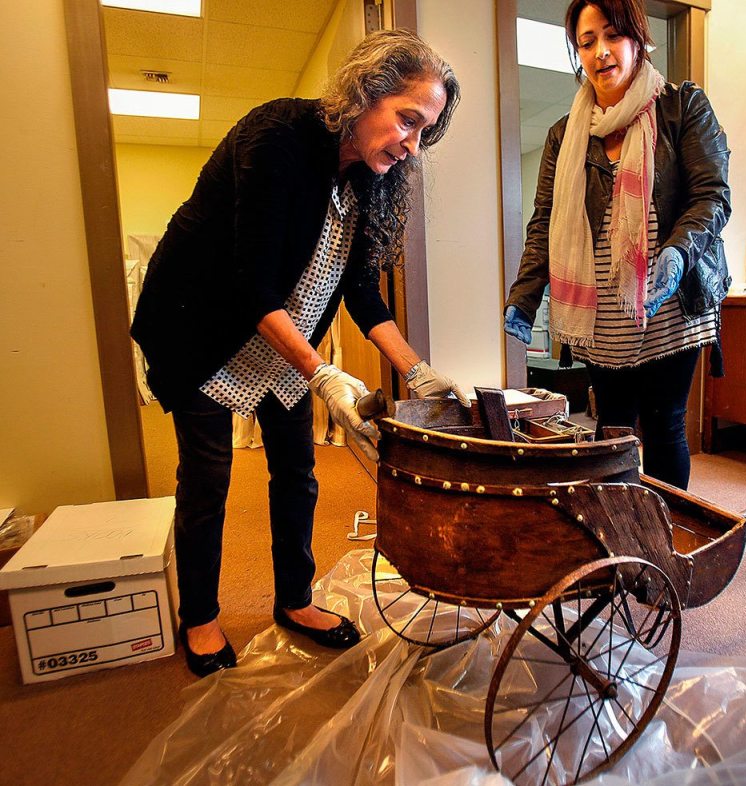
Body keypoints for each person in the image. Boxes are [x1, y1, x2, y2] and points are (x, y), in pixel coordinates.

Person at [131, 30, 468, 678]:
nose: (411, 145)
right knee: (207, 483)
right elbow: (249, 282)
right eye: (407, 120)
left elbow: (362, 291)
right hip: (204, 332)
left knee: (297, 474)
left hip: (282, 344)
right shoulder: (279, 138)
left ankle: (294, 601)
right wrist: (322, 373)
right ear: (366, 92)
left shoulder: (369, 180)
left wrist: (415, 370)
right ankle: (199, 616)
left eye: (424, 132)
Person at [503, 0, 731, 490]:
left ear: (637, 37)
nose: (600, 52)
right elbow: (544, 223)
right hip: (601, 314)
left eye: (612, 36)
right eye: (587, 42)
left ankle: (666, 537)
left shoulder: (682, 106)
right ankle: (623, 532)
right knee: (613, 430)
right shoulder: (564, 135)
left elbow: (712, 196)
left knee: (665, 423)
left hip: (671, 302)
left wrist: (677, 252)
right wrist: (524, 295)